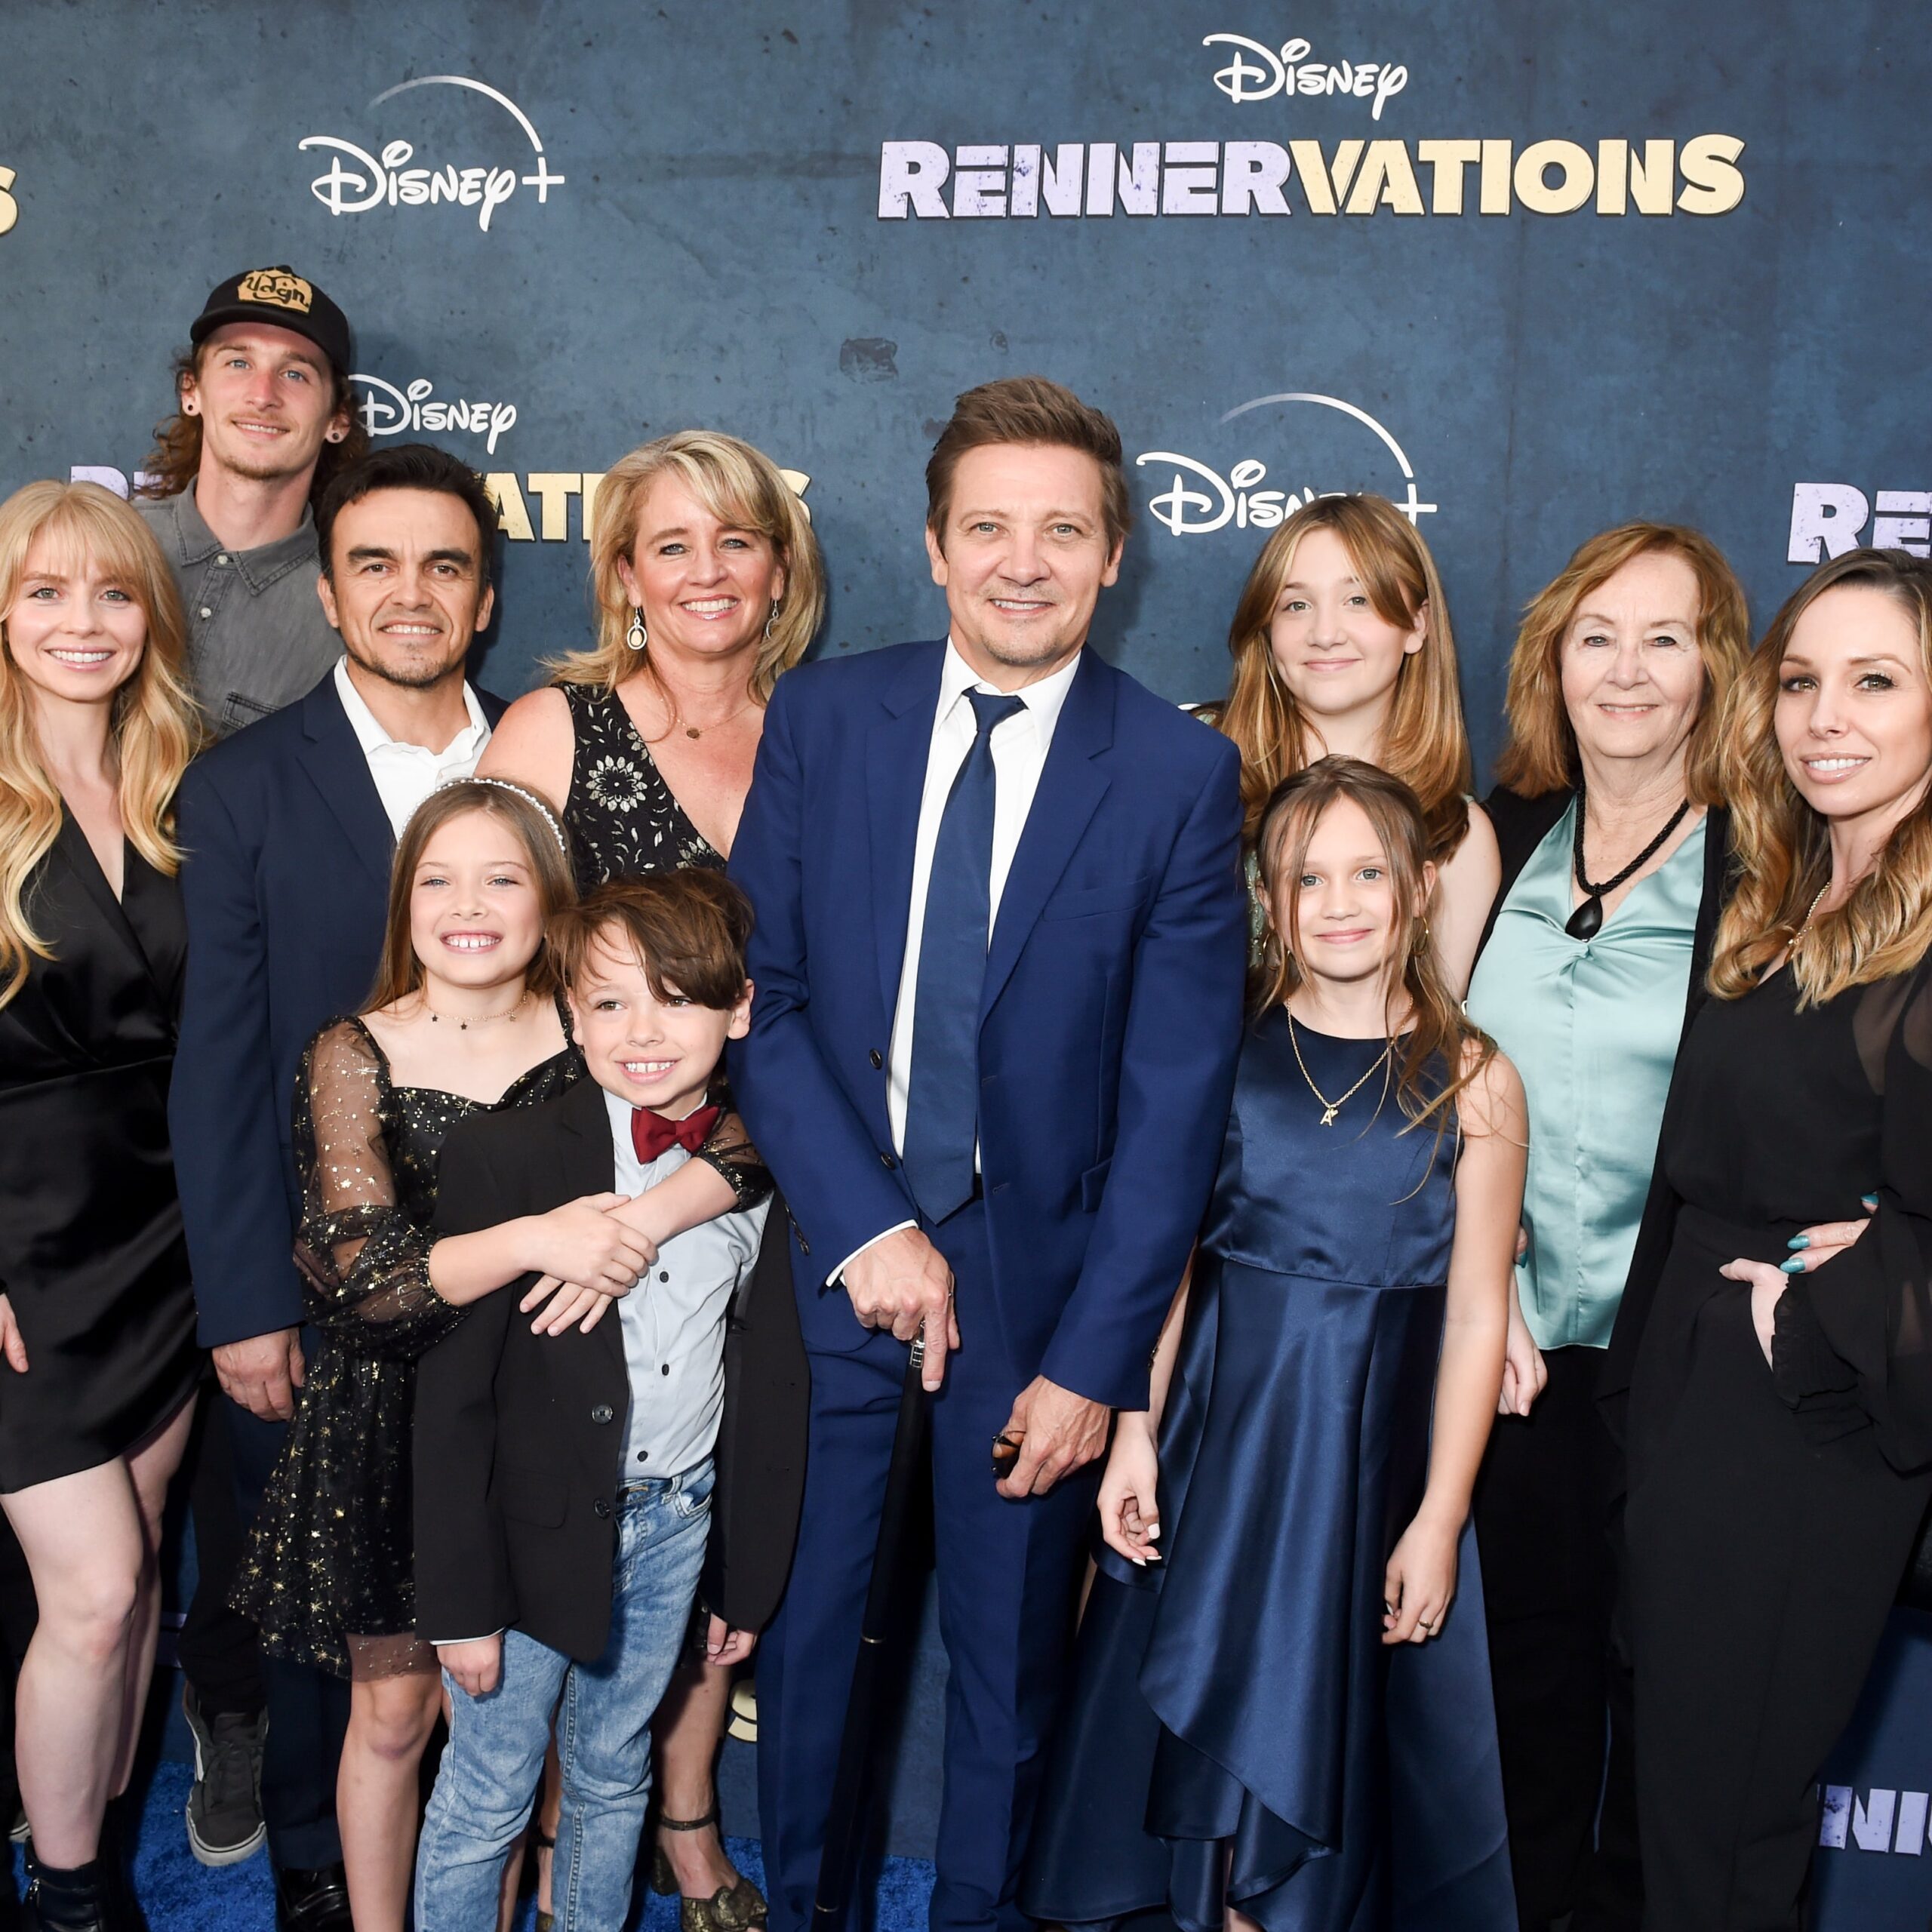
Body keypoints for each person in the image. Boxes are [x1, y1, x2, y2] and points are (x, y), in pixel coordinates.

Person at [728, 375, 1249, 1932]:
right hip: (839, 1265)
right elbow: (764, 1002)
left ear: (1114, 555)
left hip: (1041, 1306)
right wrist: (866, 1226)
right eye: (990, 529)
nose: (1023, 563)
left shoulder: (1174, 774)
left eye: (1062, 532)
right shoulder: (827, 719)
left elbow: (1175, 1104)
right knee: (810, 1665)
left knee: (1009, 1679)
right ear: (936, 547)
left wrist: (1096, 1363)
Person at [1026, 757, 1523, 1930]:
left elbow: (1474, 1316)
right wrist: (1134, 1436)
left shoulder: (1476, 1081)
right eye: (1308, 878)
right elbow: (1166, 1271)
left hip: (1364, 1473)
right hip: (1217, 1451)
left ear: (1419, 888)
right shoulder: (1223, 1054)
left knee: (1319, 1742)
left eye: (1368, 874)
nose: (1340, 903)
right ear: (1267, 897)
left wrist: (1439, 1518)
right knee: (1189, 1730)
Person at [481, 426, 820, 1927]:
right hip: (586, 1198)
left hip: (775, 1179)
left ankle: (678, 1812)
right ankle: (550, 1842)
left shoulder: (822, 734)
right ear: (622, 571)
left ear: (779, 570)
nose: (705, 571)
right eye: (670, 544)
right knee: (580, 1514)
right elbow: (481, 965)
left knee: (709, 1507)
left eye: (736, 540)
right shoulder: (554, 730)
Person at [168, 442, 507, 1932]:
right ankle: (313, 1853)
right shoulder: (240, 788)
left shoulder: (543, 768)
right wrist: (245, 1299)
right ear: (327, 590)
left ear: (484, 598)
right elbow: (217, 1067)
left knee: (495, 1560)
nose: (409, 593)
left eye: (443, 565)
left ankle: (480, 1841)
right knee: (316, 1584)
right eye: (375, 563)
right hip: (313, 1290)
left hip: (513, 1272)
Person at [1603, 546, 1932, 1929]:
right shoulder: (1775, 895)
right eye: (1801, 681)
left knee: (1724, 1833)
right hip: (1689, 1397)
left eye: (1877, 681)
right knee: (1683, 1817)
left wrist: (1811, 1317)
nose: (1826, 717)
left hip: (1809, 1425)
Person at [1464, 522, 1749, 1931]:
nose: (1626, 671)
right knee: (1523, 1702)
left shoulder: (1766, 864)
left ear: (1715, 668)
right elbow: (1426, 1075)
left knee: (1676, 1717)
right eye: (1597, 637)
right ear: (1552, 664)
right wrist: (1479, 1284)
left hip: (1687, 1366)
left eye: (1664, 638)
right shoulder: (1499, 833)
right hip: (1510, 1358)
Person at [411, 872, 780, 1932]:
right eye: (611, 1002)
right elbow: (453, 1402)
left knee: (616, 1771)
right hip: (527, 1532)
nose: (643, 1032)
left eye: (678, 998)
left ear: (740, 1008)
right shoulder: (505, 1156)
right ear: (573, 1015)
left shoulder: (765, 1160)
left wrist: (739, 1574)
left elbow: (762, 1391)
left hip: (675, 1522)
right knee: (488, 1791)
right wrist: (460, 1605)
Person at [0, 481, 202, 1930]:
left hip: (167, 1230)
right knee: (96, 1589)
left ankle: (93, 1858)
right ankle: (68, 1901)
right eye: (46, 592)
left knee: (134, 1579)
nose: (85, 622)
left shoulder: (186, 789)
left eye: (114, 593)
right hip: (22, 1247)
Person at [1212, 492, 1500, 990]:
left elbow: (1432, 1026)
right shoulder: (1199, 770)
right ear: (1267, 628)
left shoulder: (1456, 836)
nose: (1325, 634)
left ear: (1417, 624)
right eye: (1296, 605)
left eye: (1358, 600)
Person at [134, 265, 365, 735]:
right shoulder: (104, 543)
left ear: (337, 420)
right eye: (238, 363)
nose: (263, 396)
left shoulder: (351, 611)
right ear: (191, 391)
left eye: (295, 374)